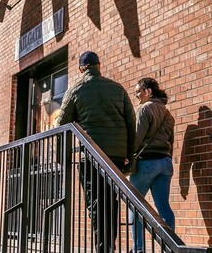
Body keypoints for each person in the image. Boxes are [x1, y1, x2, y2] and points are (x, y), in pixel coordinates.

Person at [56, 51, 135, 253]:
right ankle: (109, 246)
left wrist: (60, 158)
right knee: (111, 200)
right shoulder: (118, 89)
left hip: (91, 154)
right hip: (116, 156)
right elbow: (130, 122)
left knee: (96, 203)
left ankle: (103, 248)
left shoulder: (76, 90)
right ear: (98, 66)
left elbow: (61, 125)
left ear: (82, 69)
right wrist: (130, 156)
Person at [129, 77, 176, 253]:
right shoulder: (167, 113)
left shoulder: (144, 109)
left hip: (147, 162)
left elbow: (136, 138)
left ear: (148, 91)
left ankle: (138, 249)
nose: (136, 96)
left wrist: (128, 157)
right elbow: (171, 141)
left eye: (138, 92)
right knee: (163, 206)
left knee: (135, 204)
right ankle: (170, 248)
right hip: (165, 162)